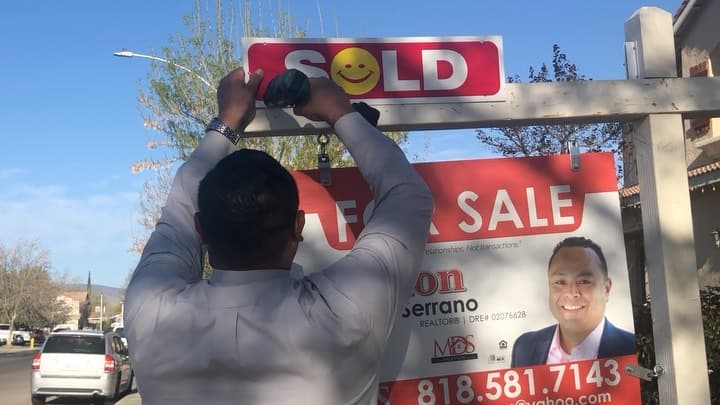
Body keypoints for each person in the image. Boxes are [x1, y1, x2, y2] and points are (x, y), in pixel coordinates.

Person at [123, 67, 434, 405]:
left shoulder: (151, 313)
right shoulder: (345, 312)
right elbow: (408, 196)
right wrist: (340, 112)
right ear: (298, 226)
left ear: (201, 230)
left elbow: (178, 208)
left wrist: (225, 124)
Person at [511, 236, 636, 368]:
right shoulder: (525, 347)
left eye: (584, 281)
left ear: (606, 289)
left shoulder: (631, 348)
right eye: (560, 282)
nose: (571, 293)